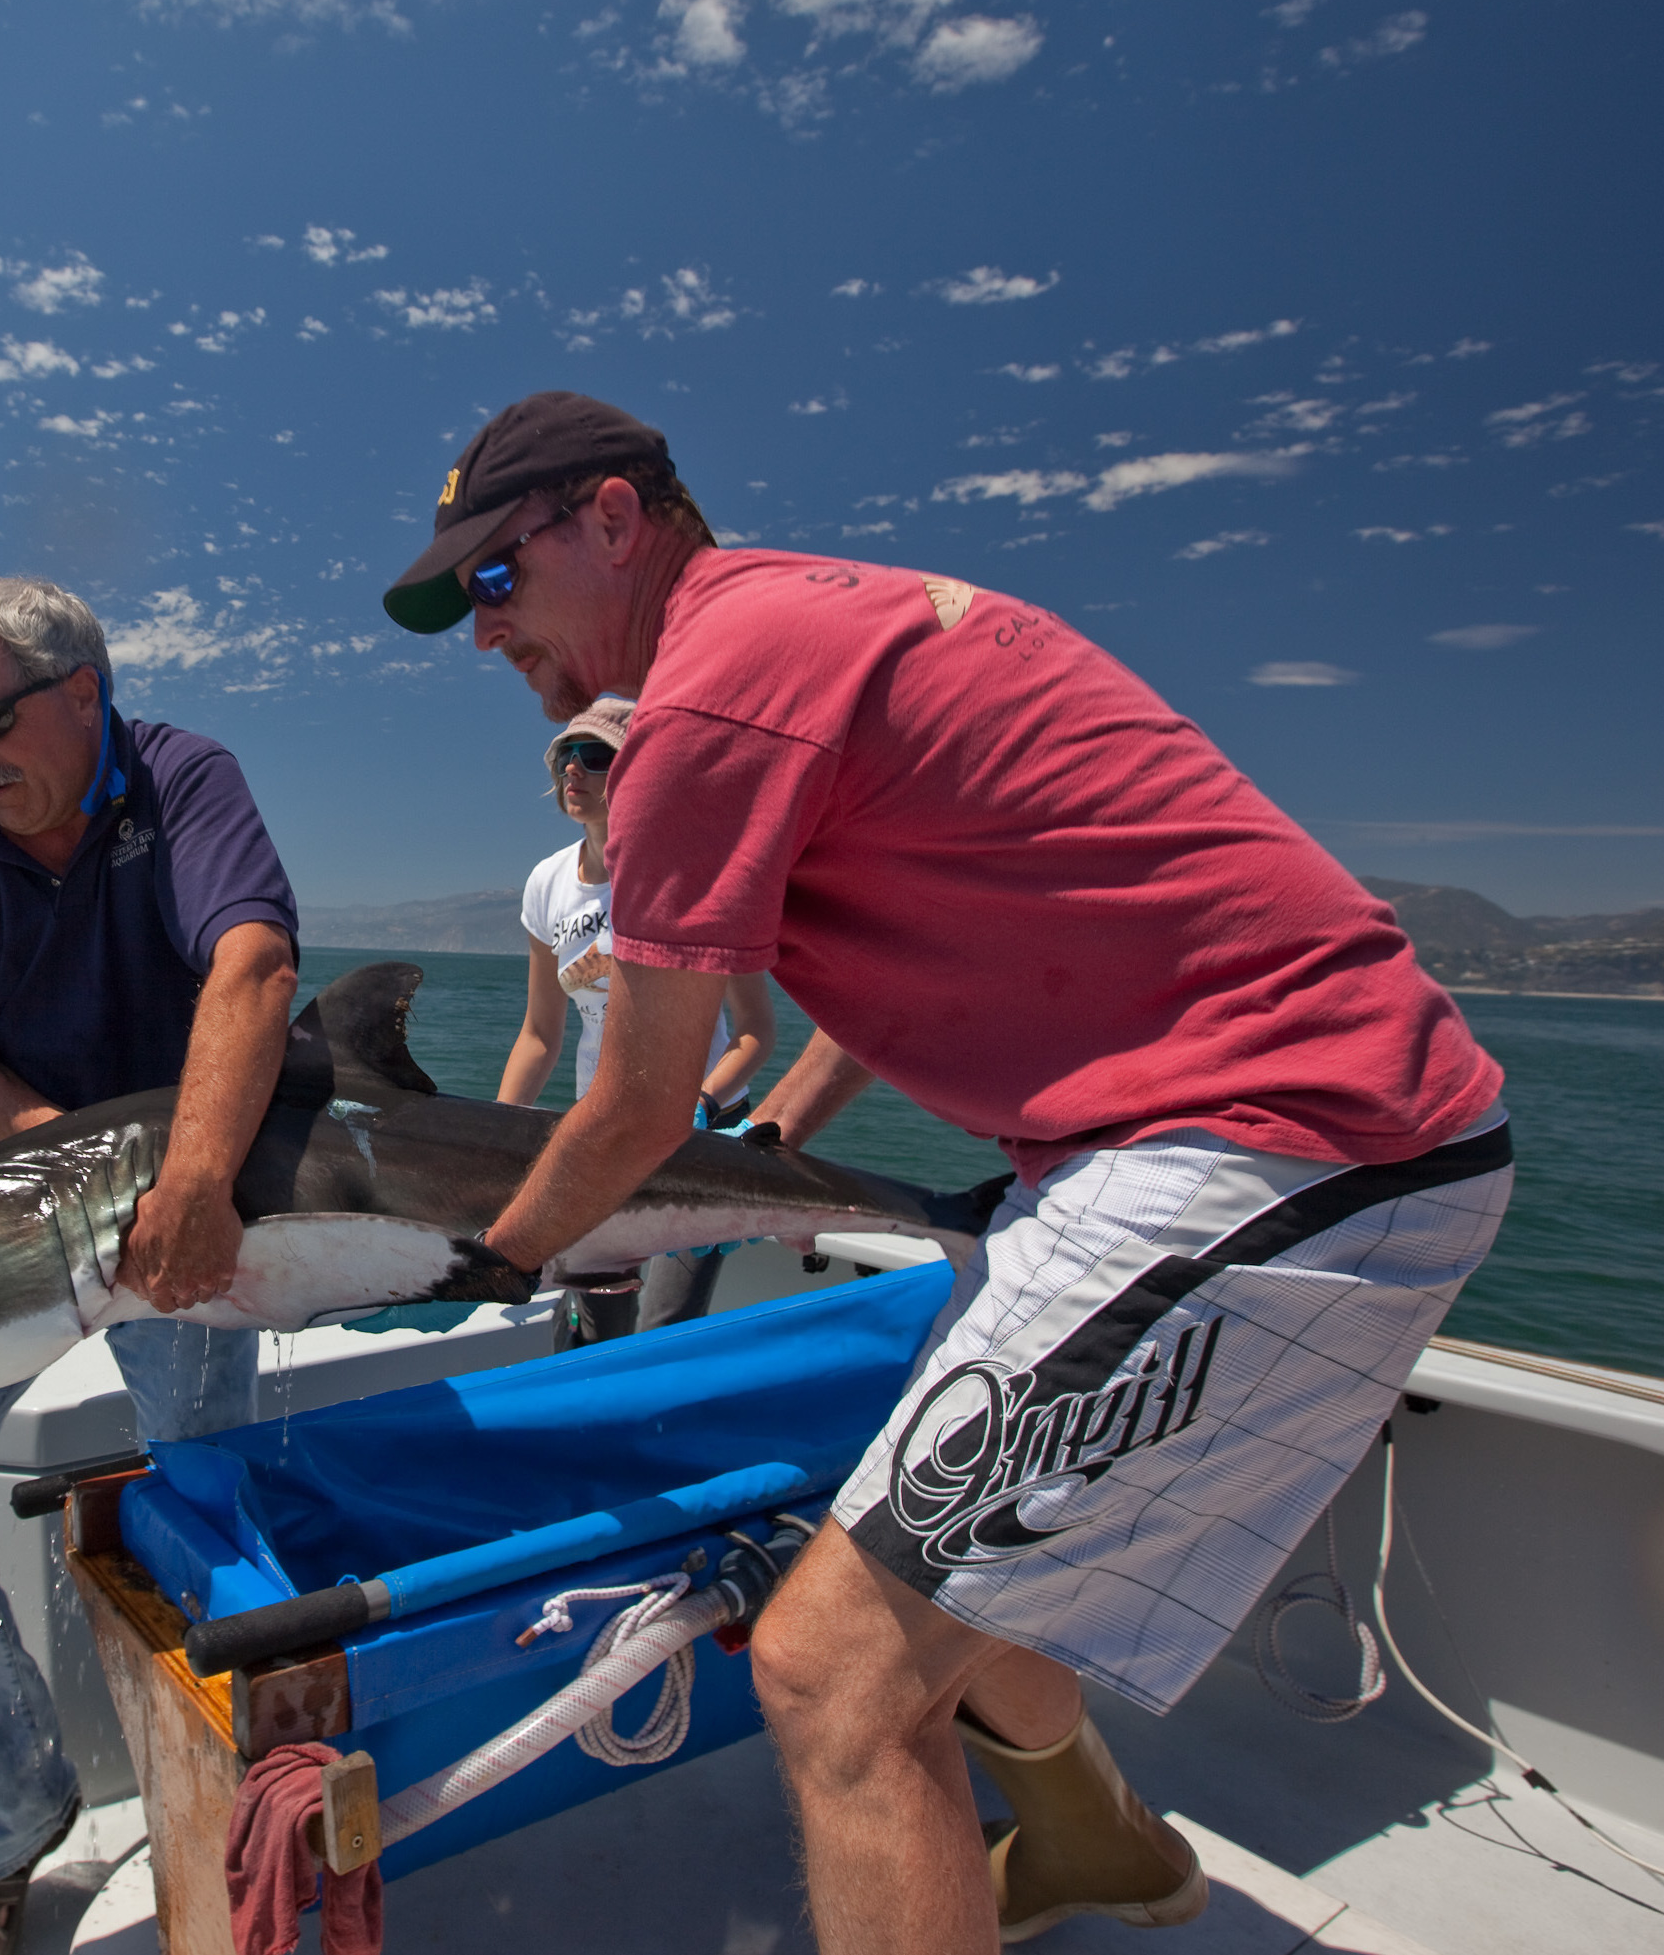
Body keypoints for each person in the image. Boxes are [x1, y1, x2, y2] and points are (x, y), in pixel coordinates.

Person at [383, 391, 1513, 1953]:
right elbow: (925, 956)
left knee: (832, 1674)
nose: (480, 632)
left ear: (614, 519)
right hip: (1213, 1132)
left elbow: (636, 1108)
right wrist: (777, 1130)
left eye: (496, 581)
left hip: (1273, 1133)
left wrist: (482, 1263)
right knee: (947, 1565)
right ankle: (1092, 1841)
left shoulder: (705, 707)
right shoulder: (807, 626)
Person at [0, 575, 301, 1955]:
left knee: (203, 1503)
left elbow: (254, 967)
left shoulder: (183, 780)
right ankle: (0, 1825)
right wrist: (66, 1158)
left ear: (82, 689)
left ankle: (237, 1808)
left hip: (192, 1204)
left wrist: (185, 1185)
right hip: (27, 1206)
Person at [497, 693, 774, 1344]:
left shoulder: (694, 878)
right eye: (566, 756)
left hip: (701, 1136)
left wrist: (700, 1105)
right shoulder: (545, 884)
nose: (572, 771)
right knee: (591, 1323)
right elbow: (539, 1034)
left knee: (663, 1327)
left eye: (594, 757)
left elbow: (755, 1031)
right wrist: (497, 1133)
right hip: (600, 1132)